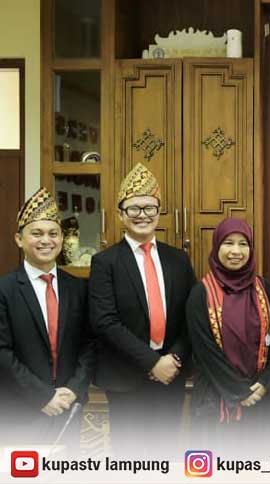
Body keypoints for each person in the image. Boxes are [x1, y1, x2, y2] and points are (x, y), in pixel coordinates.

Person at [88, 163, 196, 457]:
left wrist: (173, 359)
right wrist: (152, 363)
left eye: (149, 207)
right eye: (134, 208)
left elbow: (192, 317)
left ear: (159, 212)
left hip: (170, 376)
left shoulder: (178, 259)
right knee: (130, 461)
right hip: (125, 379)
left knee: (166, 458)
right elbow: (104, 322)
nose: (142, 215)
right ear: (120, 214)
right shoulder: (105, 262)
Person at [0, 188, 95, 450]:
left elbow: (90, 344)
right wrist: (43, 396)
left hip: (68, 409)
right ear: (19, 239)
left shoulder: (78, 288)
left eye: (53, 233)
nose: (46, 240)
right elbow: (2, 353)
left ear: (62, 238)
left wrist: (73, 390)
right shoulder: (4, 290)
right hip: (20, 412)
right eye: (37, 233)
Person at [186, 218, 270, 456]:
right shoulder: (200, 293)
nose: (236, 251)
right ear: (216, 246)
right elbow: (205, 352)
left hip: (258, 399)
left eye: (243, 244)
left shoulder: (265, 289)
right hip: (215, 402)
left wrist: (265, 383)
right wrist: (240, 392)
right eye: (228, 243)